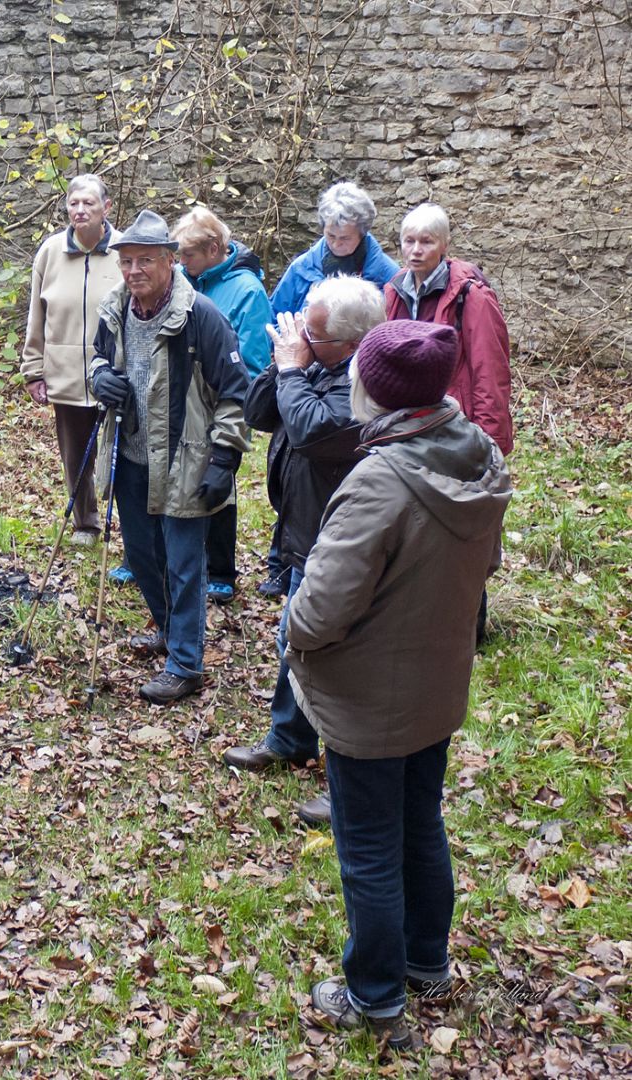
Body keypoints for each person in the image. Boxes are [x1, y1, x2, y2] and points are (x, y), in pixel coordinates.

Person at [289, 320, 512, 1050]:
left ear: (375, 391)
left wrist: (289, 621)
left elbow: (318, 614)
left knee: (369, 848)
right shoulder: (475, 452)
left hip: (367, 702)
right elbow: (484, 566)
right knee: (420, 821)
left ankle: (375, 998)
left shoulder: (379, 481)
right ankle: (426, 963)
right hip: (436, 683)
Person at [220, 277, 387, 828]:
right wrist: (284, 365)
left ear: (351, 343)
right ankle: (289, 739)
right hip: (303, 531)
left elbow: (315, 432)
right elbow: (260, 413)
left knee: (332, 654)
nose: (302, 341)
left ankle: (347, 777)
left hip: (340, 542)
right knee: (293, 640)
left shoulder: (366, 385)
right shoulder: (318, 362)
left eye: (313, 334)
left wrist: (293, 369)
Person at [87, 210, 251, 705]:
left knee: (184, 564)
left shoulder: (201, 316)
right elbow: (96, 357)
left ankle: (185, 664)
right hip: (130, 455)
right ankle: (167, 629)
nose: (134, 270)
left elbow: (235, 393)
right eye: (127, 261)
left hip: (185, 458)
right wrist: (101, 378)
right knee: (143, 557)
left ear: (169, 261)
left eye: (145, 261)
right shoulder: (116, 309)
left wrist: (223, 459)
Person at [264, 182, 398, 597]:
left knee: (322, 473)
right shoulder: (304, 267)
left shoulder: (384, 274)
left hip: (347, 382)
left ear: (363, 234)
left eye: (345, 237)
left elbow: (389, 334)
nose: (336, 243)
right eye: (330, 235)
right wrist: (287, 358)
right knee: (295, 473)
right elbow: (276, 312)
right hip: (306, 373)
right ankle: (281, 561)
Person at [173, 206, 273, 603]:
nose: (181, 262)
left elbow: (253, 360)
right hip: (182, 399)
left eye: (188, 254)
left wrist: (233, 402)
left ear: (213, 249)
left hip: (223, 401)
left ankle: (220, 570)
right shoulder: (183, 279)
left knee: (217, 479)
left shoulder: (247, 290)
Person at [21, 173, 123, 545]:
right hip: (65, 375)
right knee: (75, 455)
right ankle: (86, 523)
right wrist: (33, 370)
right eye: (73, 203)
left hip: (114, 375)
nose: (80, 210)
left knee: (122, 454)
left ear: (106, 207)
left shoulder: (125, 252)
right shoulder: (50, 252)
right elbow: (36, 316)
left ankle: (132, 523)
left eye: (88, 203)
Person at [385, 202, 513, 456]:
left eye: (427, 242)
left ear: (444, 245)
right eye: (409, 241)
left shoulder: (471, 296)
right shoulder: (394, 291)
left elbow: (490, 372)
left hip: (453, 423)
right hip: (404, 423)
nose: (416, 250)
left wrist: (489, 443)